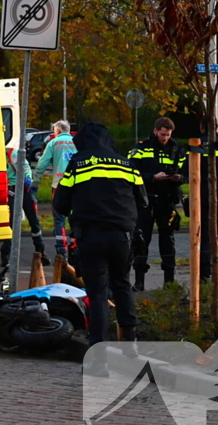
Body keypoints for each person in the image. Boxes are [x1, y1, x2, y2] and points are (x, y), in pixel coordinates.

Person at [53, 122, 148, 377]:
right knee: (122, 285)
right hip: (122, 237)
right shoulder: (126, 163)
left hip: (91, 236)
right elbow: (143, 200)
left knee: (97, 296)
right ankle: (131, 347)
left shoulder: (78, 163)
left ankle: (98, 361)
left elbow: (60, 203)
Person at [128, 117, 185, 291]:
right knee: (141, 240)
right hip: (146, 200)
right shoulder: (141, 148)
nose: (165, 138)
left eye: (168, 135)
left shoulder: (176, 148)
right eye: (162, 134)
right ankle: (139, 282)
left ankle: (169, 281)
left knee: (168, 240)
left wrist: (179, 178)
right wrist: (152, 178)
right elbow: (131, 173)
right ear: (155, 131)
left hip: (167, 200)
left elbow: (186, 172)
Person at [181, 125, 218, 281]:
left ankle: (204, 274)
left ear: (201, 127)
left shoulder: (196, 144)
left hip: (202, 192)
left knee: (203, 235)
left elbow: (185, 171)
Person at [34, 120, 77, 259]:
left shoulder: (53, 143)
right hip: (77, 186)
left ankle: (61, 251)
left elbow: (42, 163)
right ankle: (75, 248)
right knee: (76, 218)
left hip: (59, 186)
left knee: (59, 220)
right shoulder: (78, 142)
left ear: (57, 131)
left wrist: (35, 181)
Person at [0, 147, 49, 268]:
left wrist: (28, 177)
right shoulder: (2, 155)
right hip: (13, 191)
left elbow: (26, 168)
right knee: (13, 224)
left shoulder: (15, 153)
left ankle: (40, 251)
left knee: (32, 221)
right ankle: (6, 255)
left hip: (21, 190)